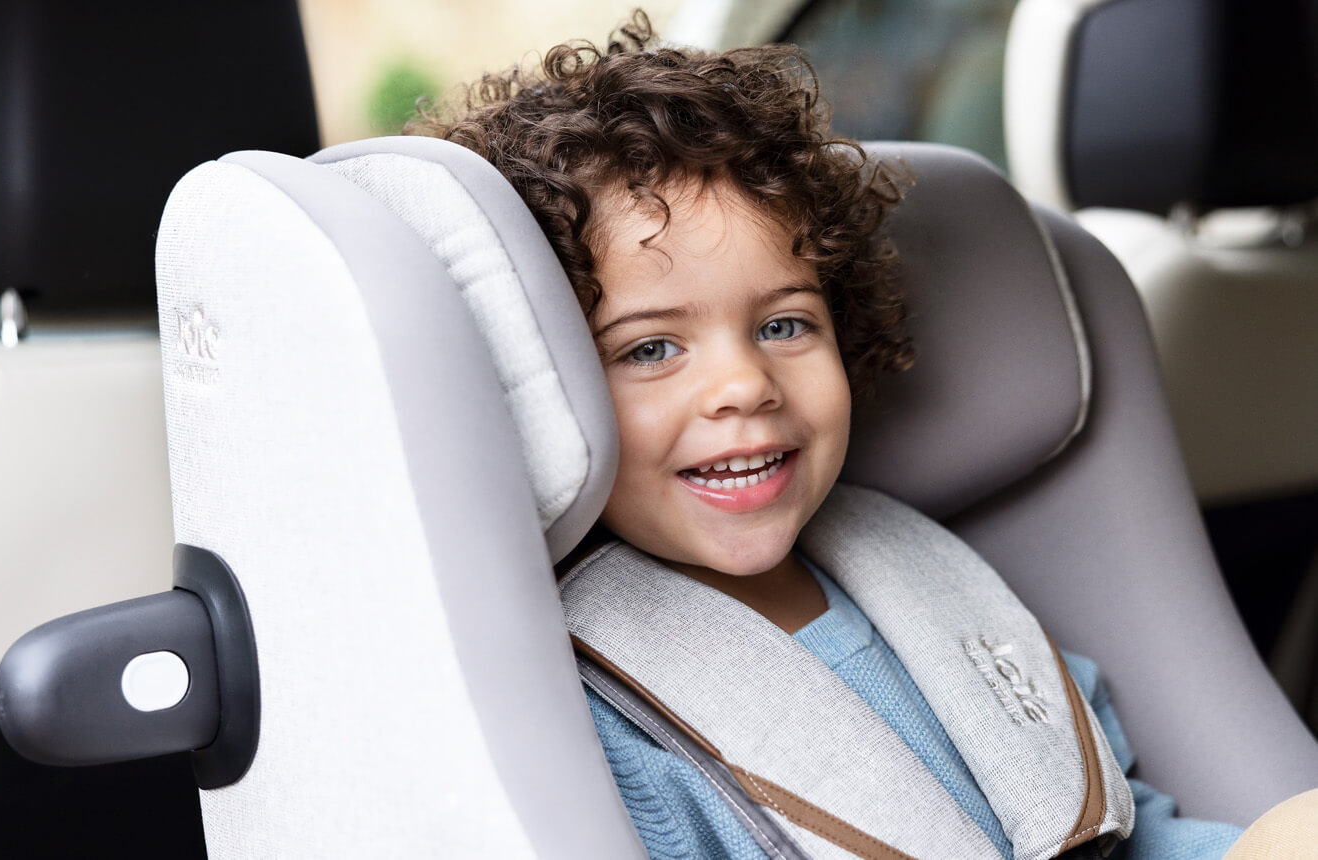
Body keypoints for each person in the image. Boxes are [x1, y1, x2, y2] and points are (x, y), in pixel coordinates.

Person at [410, 12, 1251, 859]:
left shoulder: (931, 579)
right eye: (651, 348)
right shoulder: (596, 722)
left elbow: (1123, 826)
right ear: (542, 392)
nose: (744, 384)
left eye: (783, 326)